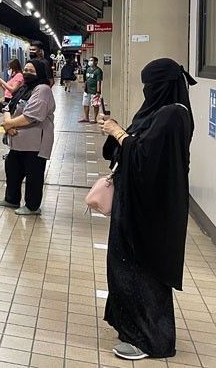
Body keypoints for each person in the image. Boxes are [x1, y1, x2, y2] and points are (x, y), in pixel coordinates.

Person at [98, 58, 196, 360]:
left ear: (161, 86)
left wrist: (116, 131)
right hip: (136, 206)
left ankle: (153, 340)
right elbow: (137, 146)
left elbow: (145, 158)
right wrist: (118, 135)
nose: (146, 91)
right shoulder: (161, 113)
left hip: (153, 212)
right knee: (125, 268)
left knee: (144, 272)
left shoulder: (172, 116)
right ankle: (131, 328)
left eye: (149, 85)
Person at [0, 60, 55, 215]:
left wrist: (9, 125)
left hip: (35, 143)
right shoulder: (25, 88)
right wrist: (9, 124)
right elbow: (8, 106)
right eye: (26, 69)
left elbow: (32, 115)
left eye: (31, 70)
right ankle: (12, 200)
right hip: (18, 142)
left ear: (40, 72)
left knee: (34, 175)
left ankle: (32, 206)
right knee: (12, 169)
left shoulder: (43, 90)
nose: (27, 73)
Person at [80, 57, 103, 123]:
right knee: (85, 104)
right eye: (90, 60)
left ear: (96, 62)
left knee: (95, 105)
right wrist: (84, 87)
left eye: (92, 60)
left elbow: (99, 81)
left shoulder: (98, 71)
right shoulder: (88, 69)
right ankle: (86, 118)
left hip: (94, 90)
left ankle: (95, 118)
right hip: (87, 90)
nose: (90, 61)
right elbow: (86, 79)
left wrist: (98, 91)